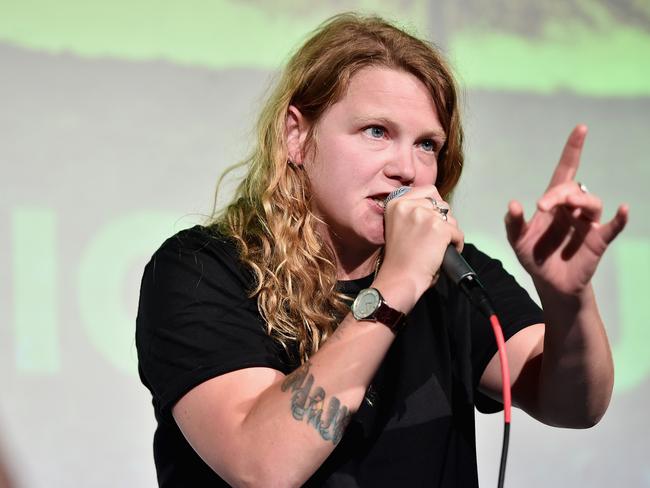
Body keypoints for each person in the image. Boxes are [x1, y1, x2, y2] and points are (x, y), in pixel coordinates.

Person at [136, 13, 628, 487]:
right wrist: (396, 285)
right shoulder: (200, 270)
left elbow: (574, 405)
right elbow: (262, 466)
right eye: (377, 131)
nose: (407, 169)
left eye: (427, 145)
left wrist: (569, 298)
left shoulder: (450, 273)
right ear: (297, 135)